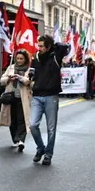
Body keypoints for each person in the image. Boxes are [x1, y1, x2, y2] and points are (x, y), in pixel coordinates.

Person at [29, 35, 68, 166]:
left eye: (41, 46)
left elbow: (64, 46)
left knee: (51, 129)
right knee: (33, 125)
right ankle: (40, 148)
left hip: (51, 96)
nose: (38, 48)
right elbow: (32, 73)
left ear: (48, 46)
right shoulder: (36, 57)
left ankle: (48, 154)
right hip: (37, 96)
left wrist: (53, 45)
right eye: (38, 45)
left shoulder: (56, 56)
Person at [0, 49, 32, 151]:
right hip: (10, 96)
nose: (19, 60)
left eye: (21, 58)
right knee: (12, 119)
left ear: (25, 59)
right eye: (17, 58)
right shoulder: (11, 67)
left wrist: (20, 78)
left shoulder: (29, 69)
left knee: (22, 119)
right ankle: (15, 140)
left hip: (23, 98)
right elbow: (2, 80)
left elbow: (30, 81)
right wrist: (9, 78)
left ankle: (21, 140)